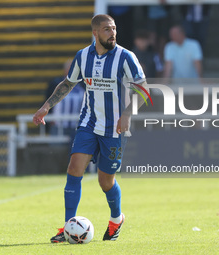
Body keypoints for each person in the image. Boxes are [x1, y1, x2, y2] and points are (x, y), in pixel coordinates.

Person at [33, 14, 148, 243]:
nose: (112, 32)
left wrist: (126, 114)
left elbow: (143, 89)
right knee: (74, 168)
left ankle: (116, 218)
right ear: (95, 33)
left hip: (115, 128)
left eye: (114, 28)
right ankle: (68, 227)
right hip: (88, 123)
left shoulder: (125, 57)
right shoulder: (83, 56)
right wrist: (46, 107)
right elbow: (68, 83)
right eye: (107, 29)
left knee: (106, 181)